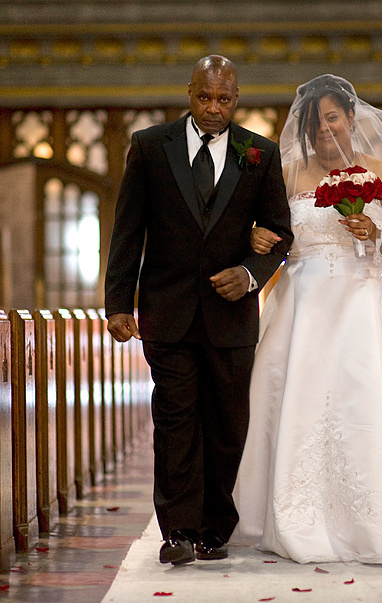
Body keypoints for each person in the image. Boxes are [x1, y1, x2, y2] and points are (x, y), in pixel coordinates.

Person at [231, 75, 382, 564]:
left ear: (352, 117)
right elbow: (264, 231)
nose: (324, 129)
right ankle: (291, 513)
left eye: (332, 118)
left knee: (364, 399)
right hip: (302, 305)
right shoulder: (287, 172)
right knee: (295, 401)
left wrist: (376, 231)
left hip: (364, 303)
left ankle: (376, 517)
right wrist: (257, 240)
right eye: (315, 123)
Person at [104, 55, 293, 565]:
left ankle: (215, 526)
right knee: (175, 421)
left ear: (237, 99)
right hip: (167, 311)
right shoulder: (148, 147)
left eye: (224, 99)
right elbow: (128, 230)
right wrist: (119, 303)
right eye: (205, 97)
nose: (214, 109)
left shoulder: (260, 153)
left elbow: (280, 234)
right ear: (189, 93)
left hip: (231, 318)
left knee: (227, 425)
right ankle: (178, 531)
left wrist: (251, 273)